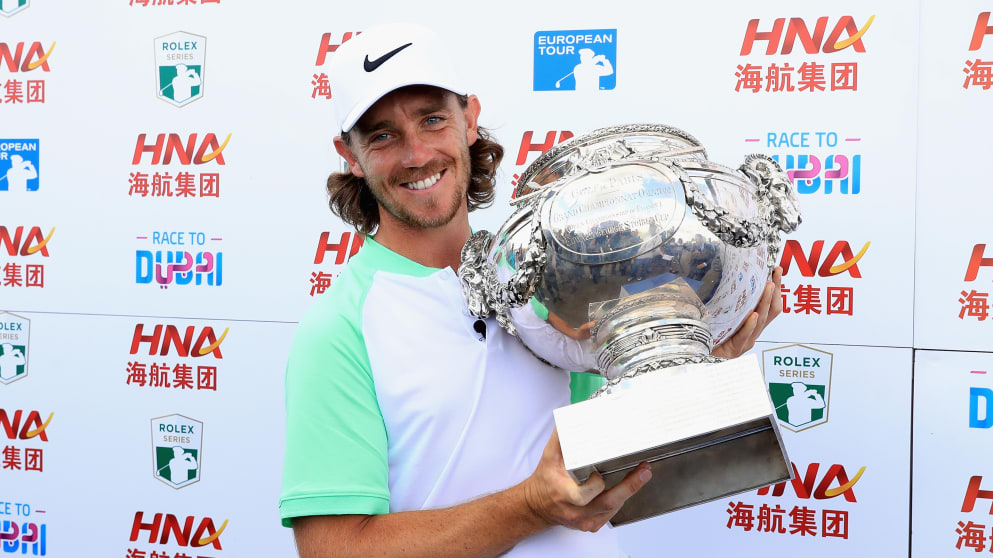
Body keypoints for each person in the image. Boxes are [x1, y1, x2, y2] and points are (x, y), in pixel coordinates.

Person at [280, 22, 783, 558]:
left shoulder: (546, 286)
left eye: (432, 119)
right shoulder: (340, 328)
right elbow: (332, 549)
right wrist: (529, 506)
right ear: (350, 155)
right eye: (382, 135)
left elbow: (611, 478)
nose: (416, 154)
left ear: (469, 120)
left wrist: (682, 366)